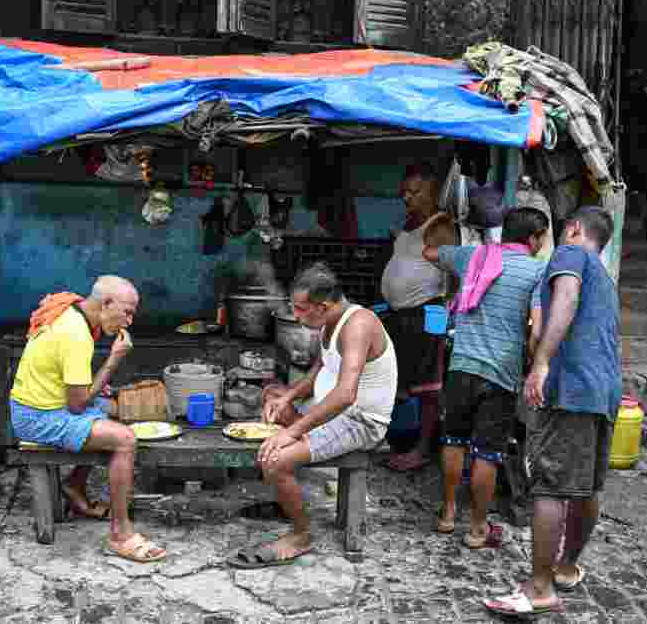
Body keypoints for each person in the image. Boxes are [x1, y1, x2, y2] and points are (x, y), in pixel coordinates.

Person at [486, 207, 621, 619]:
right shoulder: (606, 280)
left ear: (575, 230)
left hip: (571, 389)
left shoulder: (570, 254)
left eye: (563, 231)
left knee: (549, 487)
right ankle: (564, 567)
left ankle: (539, 588)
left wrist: (542, 361)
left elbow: (565, 297)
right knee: (586, 487)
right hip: (603, 392)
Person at [228, 262, 396, 568]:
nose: (297, 316)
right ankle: (288, 499)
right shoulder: (328, 322)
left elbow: (346, 395)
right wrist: (288, 397)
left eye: (303, 310)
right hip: (332, 411)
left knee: (275, 460)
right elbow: (321, 368)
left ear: (323, 305)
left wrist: (292, 431)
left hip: (361, 421)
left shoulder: (357, 324)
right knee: (271, 396)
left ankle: (300, 535)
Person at [9, 276, 166, 563]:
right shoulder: (75, 333)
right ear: (106, 304)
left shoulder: (74, 310)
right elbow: (79, 404)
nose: (128, 322)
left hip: (41, 405)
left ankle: (75, 486)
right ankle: (121, 534)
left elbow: (75, 387)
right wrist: (114, 360)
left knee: (108, 411)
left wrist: (92, 385)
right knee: (124, 440)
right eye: (127, 312)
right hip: (37, 417)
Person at [423, 207, 549, 548]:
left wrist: (439, 219)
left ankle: (448, 514)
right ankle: (478, 526)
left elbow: (430, 251)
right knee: (487, 452)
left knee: (453, 441)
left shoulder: (474, 256)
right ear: (534, 238)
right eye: (542, 239)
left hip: (461, 366)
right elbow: (537, 329)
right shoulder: (538, 271)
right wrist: (536, 362)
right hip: (501, 372)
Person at [379, 166, 457, 471]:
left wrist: (448, 311)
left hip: (427, 314)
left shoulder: (441, 226)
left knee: (427, 388)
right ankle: (396, 441)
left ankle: (422, 449)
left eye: (414, 191)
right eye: (404, 191)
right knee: (398, 380)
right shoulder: (413, 224)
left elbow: (454, 270)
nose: (406, 197)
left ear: (433, 193)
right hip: (403, 315)